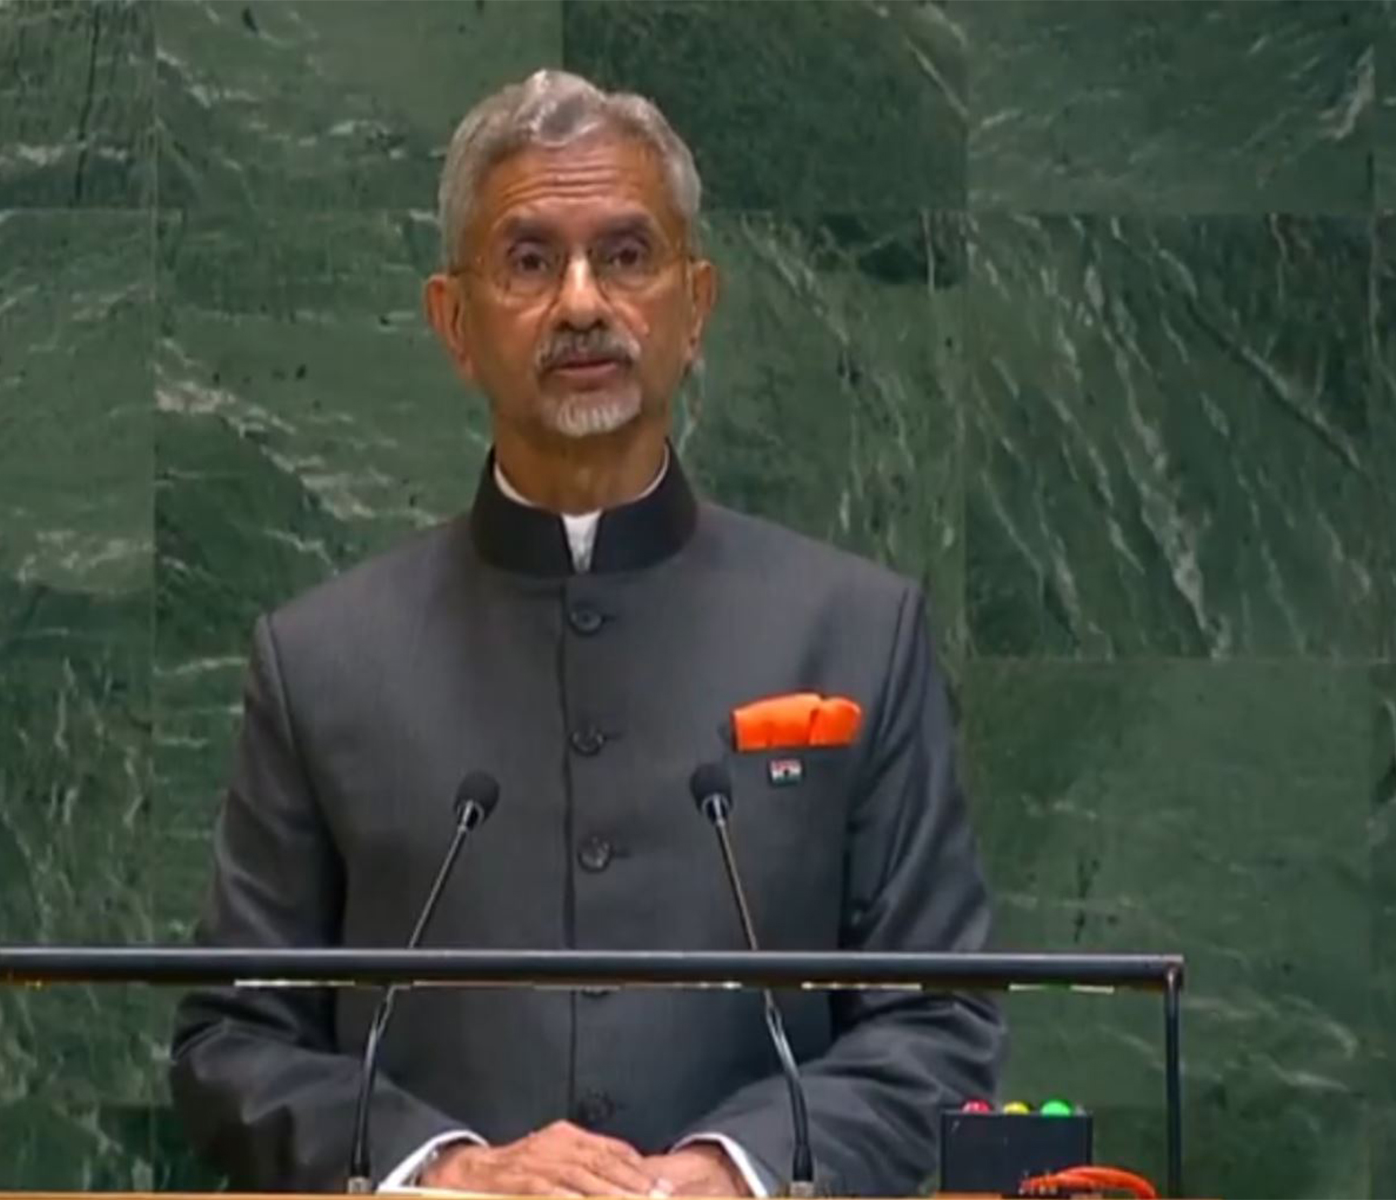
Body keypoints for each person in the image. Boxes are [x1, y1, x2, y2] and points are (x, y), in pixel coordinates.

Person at [170, 68, 1002, 1198]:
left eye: (625, 255)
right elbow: (233, 1043)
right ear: (453, 325)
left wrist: (736, 1168)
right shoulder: (323, 661)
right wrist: (443, 1169)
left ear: (694, 306)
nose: (579, 303)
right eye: (527, 260)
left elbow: (940, 1023)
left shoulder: (854, 632)